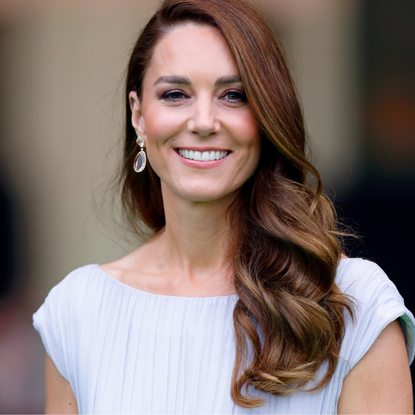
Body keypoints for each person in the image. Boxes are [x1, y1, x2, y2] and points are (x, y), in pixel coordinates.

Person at [33, 0, 414, 413]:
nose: (202, 121)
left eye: (233, 95)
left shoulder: (354, 304)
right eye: (175, 94)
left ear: (267, 114)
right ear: (139, 115)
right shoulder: (77, 311)